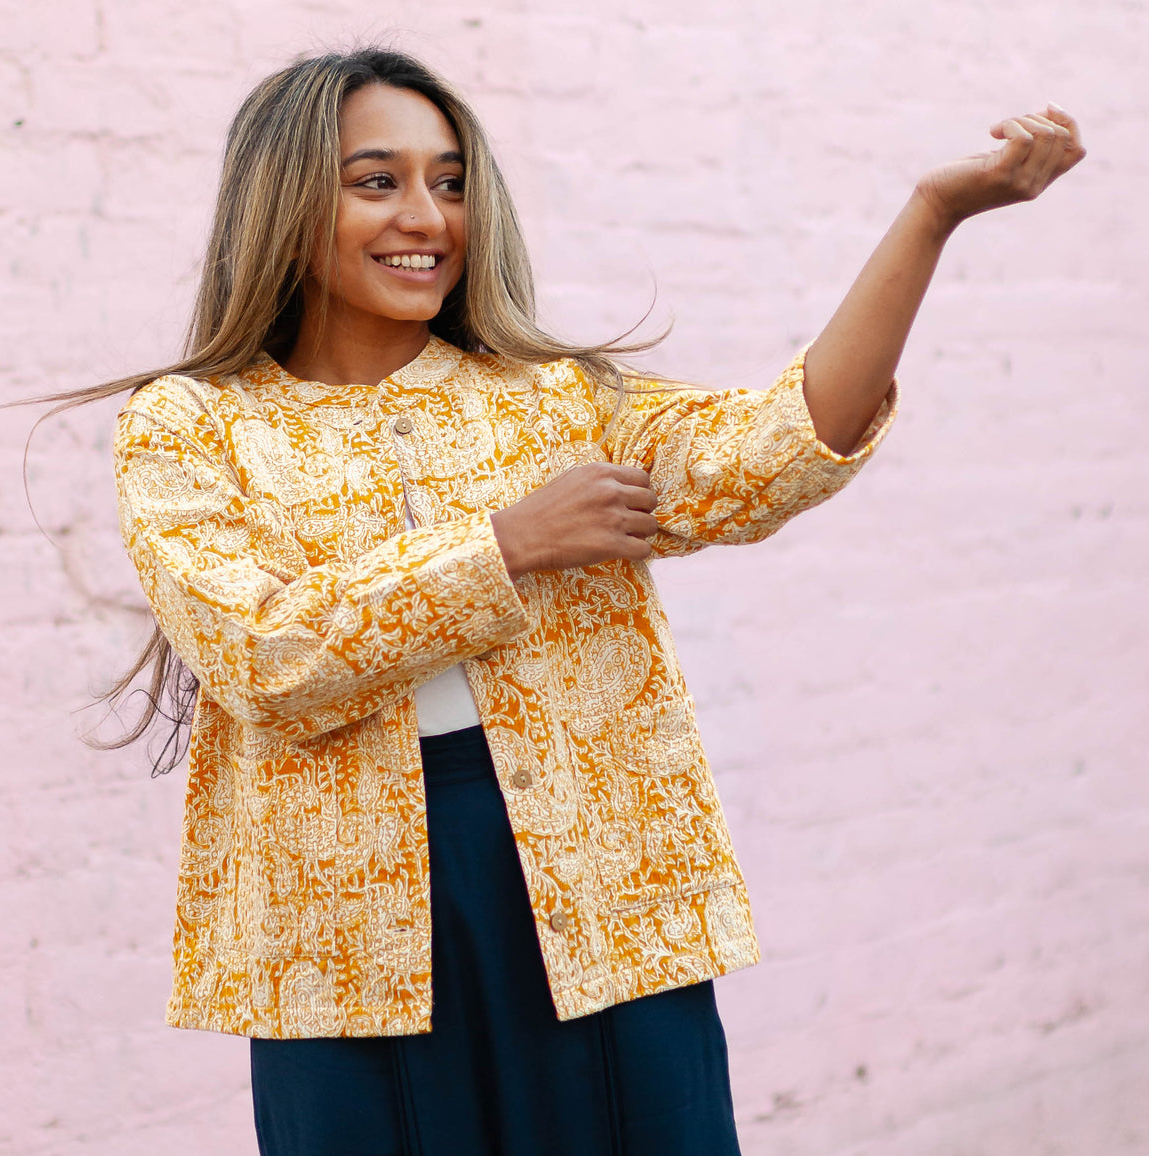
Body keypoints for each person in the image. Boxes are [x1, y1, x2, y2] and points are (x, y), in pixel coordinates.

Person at [84, 46, 1083, 1156]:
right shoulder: (186, 425)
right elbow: (261, 656)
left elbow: (775, 455)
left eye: (452, 182)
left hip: (605, 890)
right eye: (377, 181)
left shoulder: (555, 401)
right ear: (281, 202)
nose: (427, 215)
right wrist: (506, 544)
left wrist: (929, 217)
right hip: (335, 943)